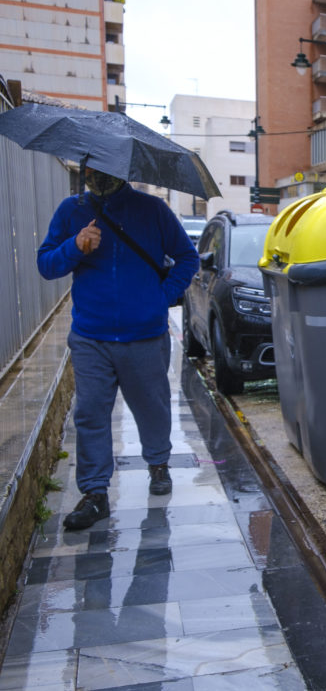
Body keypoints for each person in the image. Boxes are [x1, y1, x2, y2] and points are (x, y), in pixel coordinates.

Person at [37, 167, 199, 530]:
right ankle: (95, 494)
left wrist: (161, 299)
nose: (97, 175)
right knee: (91, 414)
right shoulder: (70, 210)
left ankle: (158, 464)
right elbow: (46, 265)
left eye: (105, 169)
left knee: (152, 407)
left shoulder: (152, 209)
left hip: (144, 334)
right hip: (91, 336)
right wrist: (74, 246)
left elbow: (188, 257)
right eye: (91, 168)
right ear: (84, 169)